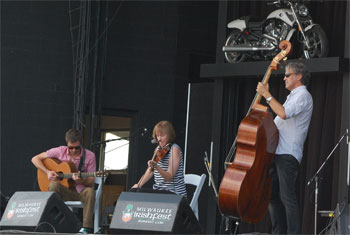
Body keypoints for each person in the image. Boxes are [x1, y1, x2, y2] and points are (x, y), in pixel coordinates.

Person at [256, 62, 313, 234]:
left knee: (287, 197)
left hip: (287, 153)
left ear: (298, 76)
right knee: (272, 196)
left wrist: (266, 95)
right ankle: (278, 232)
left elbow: (283, 113)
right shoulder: (292, 96)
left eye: (288, 75)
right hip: (277, 152)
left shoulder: (302, 95)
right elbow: (278, 122)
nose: (284, 78)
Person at [32, 129, 96, 234]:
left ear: (81, 144)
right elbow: (35, 159)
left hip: (80, 193)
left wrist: (82, 180)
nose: (74, 150)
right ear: (67, 145)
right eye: (71, 148)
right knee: (53, 186)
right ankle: (51, 224)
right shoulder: (60, 151)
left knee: (90, 191)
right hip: (64, 191)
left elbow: (91, 182)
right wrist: (47, 172)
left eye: (77, 148)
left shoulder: (90, 156)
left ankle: (86, 229)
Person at [132, 121, 187, 198]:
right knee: (139, 195)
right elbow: (150, 170)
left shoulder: (174, 149)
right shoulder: (158, 149)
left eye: (162, 136)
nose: (159, 139)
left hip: (174, 194)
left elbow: (169, 177)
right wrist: (138, 184)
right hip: (159, 192)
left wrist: (156, 167)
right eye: (157, 136)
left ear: (169, 135)